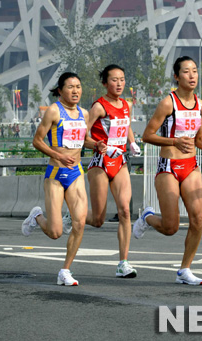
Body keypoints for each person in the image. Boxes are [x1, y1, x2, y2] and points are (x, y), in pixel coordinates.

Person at [133, 56, 202, 285]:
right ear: (176, 76)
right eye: (186, 72)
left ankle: (185, 269)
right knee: (171, 227)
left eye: (195, 71)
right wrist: (173, 142)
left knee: (197, 219)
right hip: (168, 168)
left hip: (191, 167)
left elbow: (198, 140)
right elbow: (147, 135)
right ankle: (147, 217)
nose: (192, 76)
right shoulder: (168, 103)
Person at [21, 72, 104, 286]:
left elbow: (83, 140)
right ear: (60, 90)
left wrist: (96, 145)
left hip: (76, 173)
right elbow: (37, 141)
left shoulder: (84, 114)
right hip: (56, 175)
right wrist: (57, 155)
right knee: (56, 232)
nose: (75, 91)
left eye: (78, 86)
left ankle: (65, 270)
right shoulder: (53, 111)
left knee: (80, 223)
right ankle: (37, 216)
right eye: (70, 87)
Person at [63, 64, 141, 279]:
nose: (119, 84)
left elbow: (126, 127)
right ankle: (74, 216)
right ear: (105, 83)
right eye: (114, 80)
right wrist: (96, 144)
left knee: (125, 211)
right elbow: (81, 134)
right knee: (98, 220)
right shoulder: (98, 106)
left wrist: (132, 143)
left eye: (122, 79)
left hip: (120, 162)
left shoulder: (126, 104)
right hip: (100, 163)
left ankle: (123, 263)